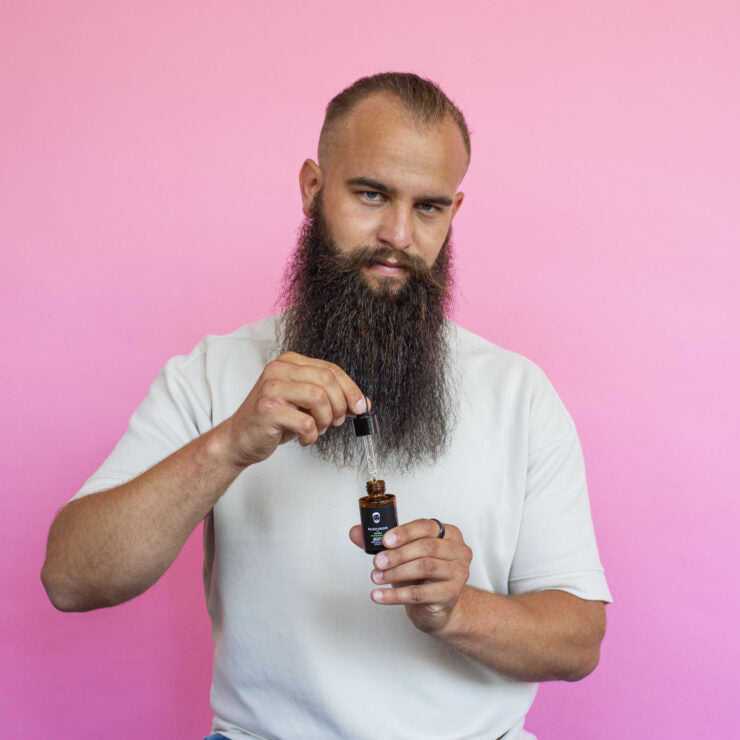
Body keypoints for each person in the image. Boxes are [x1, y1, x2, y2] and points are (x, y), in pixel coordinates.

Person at [42, 72, 611, 739]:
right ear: (313, 188)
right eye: (371, 194)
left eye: (428, 207)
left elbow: (579, 642)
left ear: (454, 212)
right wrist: (229, 444)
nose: (398, 233)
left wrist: (457, 609)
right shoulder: (213, 373)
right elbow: (71, 580)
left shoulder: (519, 392)